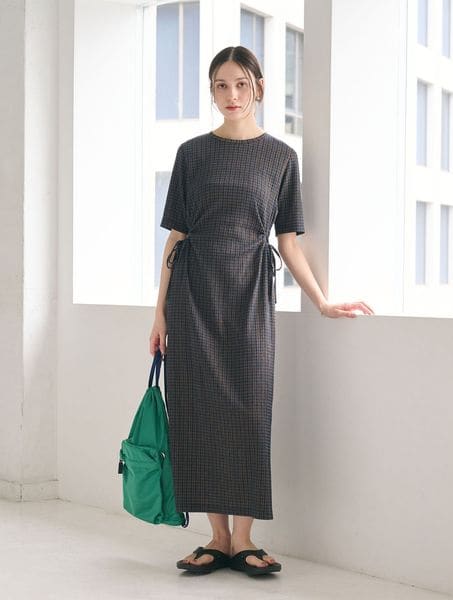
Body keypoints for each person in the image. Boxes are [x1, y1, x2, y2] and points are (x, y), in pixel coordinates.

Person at [149, 45, 374, 576]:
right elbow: (176, 237)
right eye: (221, 85)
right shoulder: (191, 154)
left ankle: (245, 539)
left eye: (241, 84)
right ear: (211, 91)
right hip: (192, 297)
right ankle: (216, 538)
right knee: (196, 413)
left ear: (259, 88)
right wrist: (159, 314)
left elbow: (288, 242)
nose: (231, 95)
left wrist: (322, 302)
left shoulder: (280, 158)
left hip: (250, 297)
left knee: (250, 413)